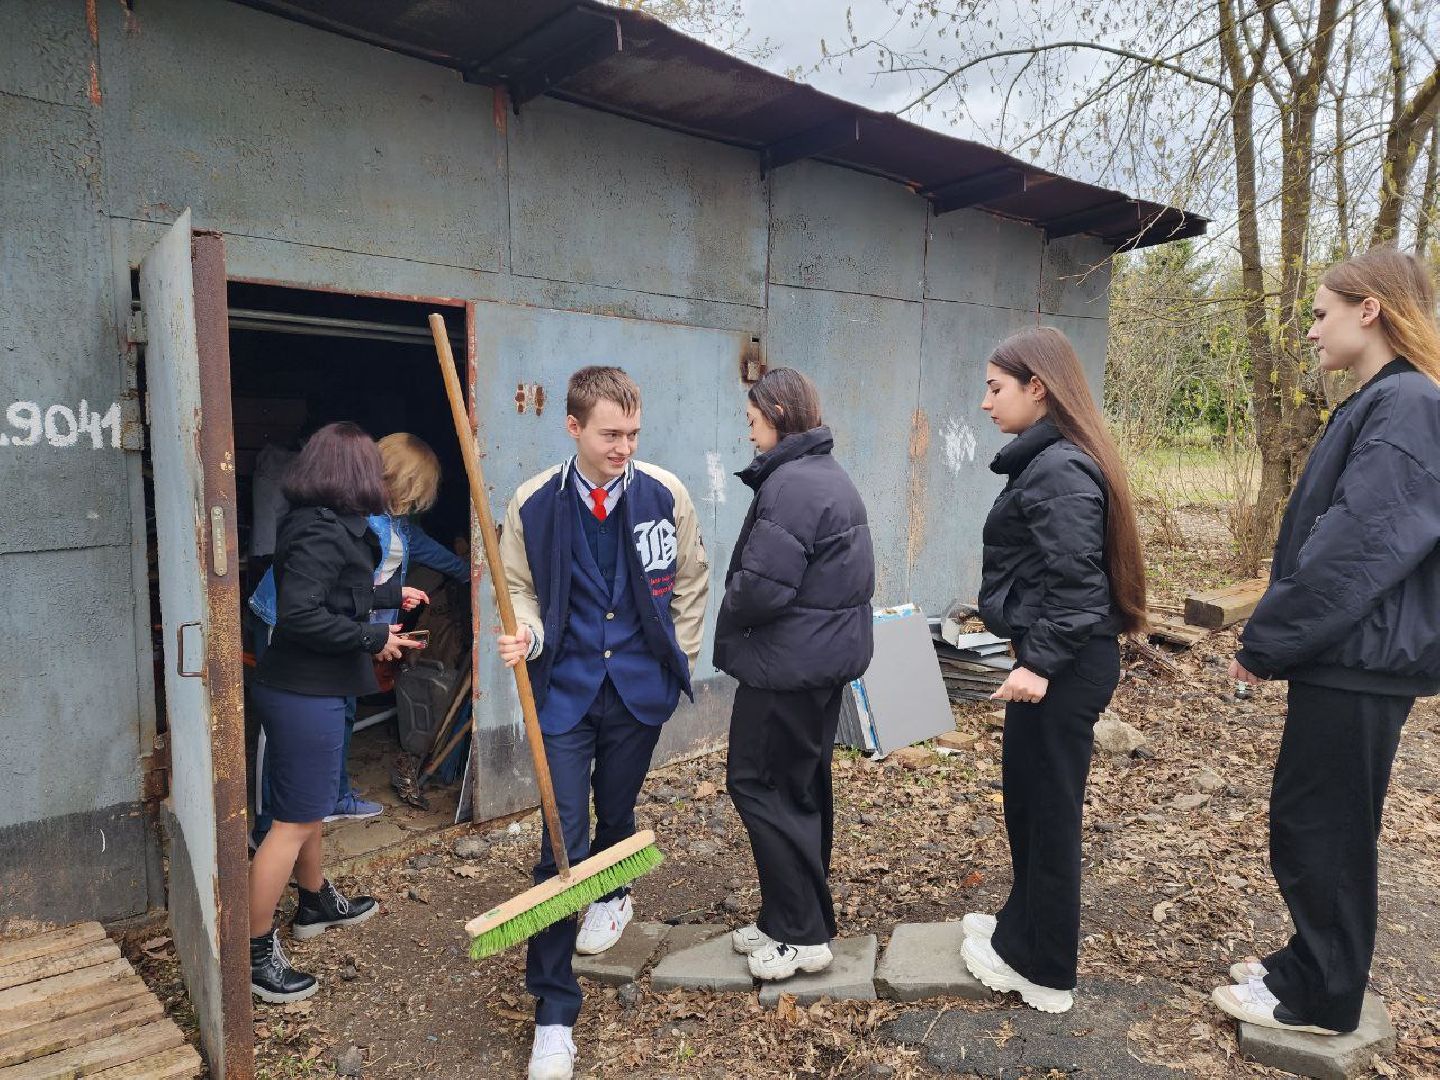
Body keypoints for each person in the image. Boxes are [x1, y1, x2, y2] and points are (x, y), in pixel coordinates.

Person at [1211, 249, 1440, 1036]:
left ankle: (1322, 999)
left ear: (1368, 309)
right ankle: (1307, 964)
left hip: (1360, 660)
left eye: (1320, 312)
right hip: (1352, 657)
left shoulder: (1406, 403)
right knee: (1320, 821)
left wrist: (1266, 639)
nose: (1310, 330)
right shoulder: (1386, 400)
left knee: (1323, 829)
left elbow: (1357, 548)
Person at [494, 366, 709, 1080]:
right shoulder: (532, 504)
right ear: (574, 428)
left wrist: (680, 652)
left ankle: (613, 890)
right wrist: (526, 633)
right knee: (563, 844)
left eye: (633, 433)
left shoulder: (664, 493)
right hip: (564, 692)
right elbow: (518, 586)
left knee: (617, 813)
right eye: (611, 434)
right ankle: (554, 1015)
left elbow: (690, 578)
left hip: (637, 691)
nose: (624, 447)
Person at [961, 327, 1147, 1014]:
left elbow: (1078, 585)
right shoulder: (1049, 461)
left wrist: (1038, 663)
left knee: (1050, 813)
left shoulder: (1061, 469)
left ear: (1038, 387)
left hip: (1063, 666)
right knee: (1031, 807)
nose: (985, 402)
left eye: (995, 387)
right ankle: (1022, 931)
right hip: (1055, 658)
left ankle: (1044, 971)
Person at [247, 422, 427, 1003]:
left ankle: (316, 901)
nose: (379, 476)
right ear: (351, 474)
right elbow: (301, 615)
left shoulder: (321, 521)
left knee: (312, 807)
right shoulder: (322, 531)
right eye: (370, 468)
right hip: (304, 691)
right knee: (292, 823)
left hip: (310, 687)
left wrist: (385, 598)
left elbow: (328, 594)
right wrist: (375, 638)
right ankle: (253, 954)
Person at [713, 368, 875, 983]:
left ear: (777, 414)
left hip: (786, 668)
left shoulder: (793, 484)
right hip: (815, 665)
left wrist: (729, 599)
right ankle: (792, 918)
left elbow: (762, 588)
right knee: (798, 789)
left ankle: (802, 935)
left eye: (752, 420)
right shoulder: (825, 475)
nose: (748, 431)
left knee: (757, 785)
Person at [249, 432, 467, 833]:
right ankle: (271, 822)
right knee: (288, 727)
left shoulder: (394, 525)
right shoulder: (343, 523)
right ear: (405, 483)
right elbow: (328, 597)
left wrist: (475, 573)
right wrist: (375, 635)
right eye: (417, 490)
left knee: (341, 711)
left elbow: (420, 555)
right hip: (290, 626)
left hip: (343, 627)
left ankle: (330, 797)